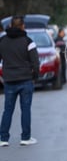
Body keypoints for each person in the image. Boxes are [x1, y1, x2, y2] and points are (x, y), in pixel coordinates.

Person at [0, 15, 40, 147]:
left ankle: (3, 138)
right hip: (25, 80)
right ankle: (25, 137)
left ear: (10, 25)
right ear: (23, 26)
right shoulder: (28, 42)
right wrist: (35, 77)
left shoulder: (2, 41)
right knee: (25, 109)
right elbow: (35, 63)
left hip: (9, 80)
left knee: (8, 110)